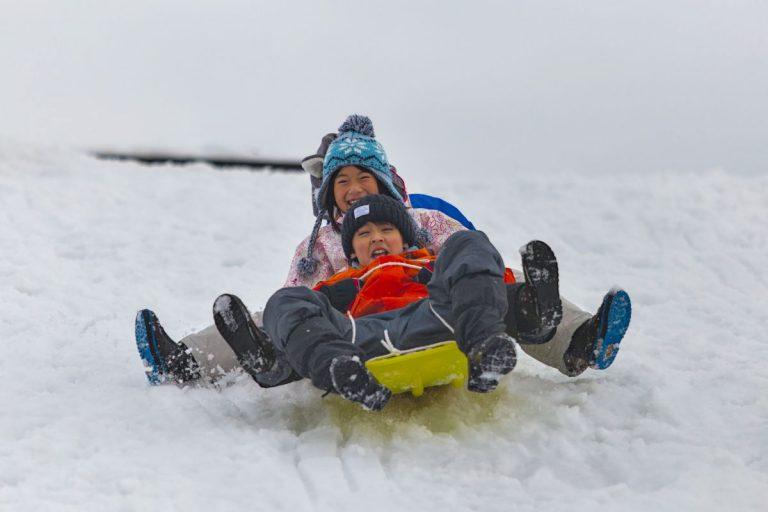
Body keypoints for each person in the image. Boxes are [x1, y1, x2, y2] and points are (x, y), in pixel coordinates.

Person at [135, 114, 631, 388]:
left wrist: (504, 299)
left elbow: (476, 269)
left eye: (363, 178)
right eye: (340, 182)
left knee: (511, 289)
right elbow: (299, 300)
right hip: (359, 323)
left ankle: (577, 340)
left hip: (440, 310)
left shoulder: (427, 220)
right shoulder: (322, 246)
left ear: (385, 182)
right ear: (326, 193)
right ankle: (189, 363)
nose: (352, 189)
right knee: (274, 313)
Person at [214, 194, 563, 410]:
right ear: (352, 252)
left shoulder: (432, 265)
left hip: (440, 322)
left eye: (386, 229)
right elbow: (302, 317)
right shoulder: (341, 283)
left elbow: (486, 283)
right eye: (364, 234)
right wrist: (312, 311)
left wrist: (511, 301)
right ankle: (300, 366)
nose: (376, 237)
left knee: (469, 244)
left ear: (404, 238)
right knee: (286, 301)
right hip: (359, 342)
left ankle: (512, 329)